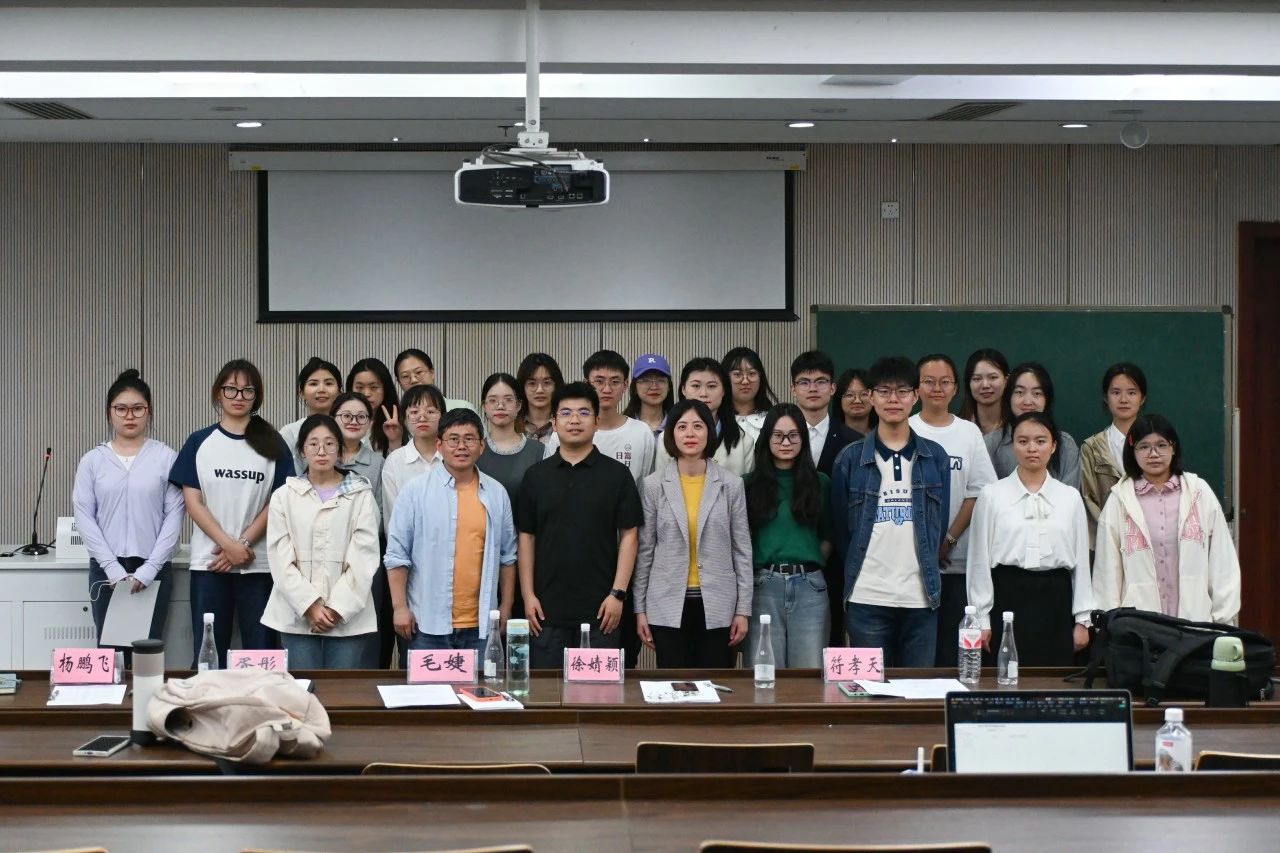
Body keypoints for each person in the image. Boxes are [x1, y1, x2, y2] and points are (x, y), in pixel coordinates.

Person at [169, 359, 294, 667]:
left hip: (258, 565)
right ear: (218, 393)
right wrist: (229, 546)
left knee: (261, 653)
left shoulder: (273, 443)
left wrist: (244, 544)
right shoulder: (199, 442)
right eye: (231, 389)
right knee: (209, 652)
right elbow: (193, 502)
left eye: (247, 390)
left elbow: (278, 502)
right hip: (210, 564)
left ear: (257, 396)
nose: (239, 396)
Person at [830, 356, 951, 668]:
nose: (893, 399)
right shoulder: (850, 459)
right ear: (871, 397)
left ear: (915, 396)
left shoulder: (935, 457)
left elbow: (938, 525)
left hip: (921, 597)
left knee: (917, 691)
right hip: (866, 596)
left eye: (902, 391)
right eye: (884, 391)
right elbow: (842, 531)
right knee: (869, 691)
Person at [518, 382, 642, 667]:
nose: (574, 420)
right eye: (566, 413)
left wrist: (618, 594)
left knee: (598, 691)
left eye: (584, 413)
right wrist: (528, 596)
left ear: (596, 422)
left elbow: (630, 535)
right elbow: (526, 538)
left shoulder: (617, 475)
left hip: (602, 612)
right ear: (554, 423)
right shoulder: (536, 477)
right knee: (547, 690)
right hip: (545, 612)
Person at [385, 409, 517, 653]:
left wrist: (506, 606)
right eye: (453, 439)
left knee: (481, 681)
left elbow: (508, 557)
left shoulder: (496, 493)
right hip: (426, 622)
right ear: (439, 445)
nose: (461, 446)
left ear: (482, 446)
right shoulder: (415, 492)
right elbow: (396, 555)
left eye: (469, 439)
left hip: (481, 625)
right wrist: (399, 607)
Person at [967, 411, 1093, 666]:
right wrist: (981, 619)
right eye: (1023, 441)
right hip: (1007, 597)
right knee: (1006, 677)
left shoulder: (1069, 497)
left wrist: (1083, 619)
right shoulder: (992, 495)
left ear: (1053, 446)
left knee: (1053, 681)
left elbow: (1081, 562)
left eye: (1040, 441)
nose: (1032, 448)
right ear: (1013, 446)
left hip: (1056, 599)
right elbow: (978, 561)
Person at [634, 399, 753, 668]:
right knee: (672, 685)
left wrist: (743, 610)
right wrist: (640, 610)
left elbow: (742, 550)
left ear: (709, 432)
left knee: (716, 685)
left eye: (698, 426)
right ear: (671, 434)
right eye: (682, 427)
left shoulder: (731, 485)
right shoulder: (653, 485)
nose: (690, 433)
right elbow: (645, 551)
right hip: (666, 603)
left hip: (719, 605)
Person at [74, 369, 184, 653]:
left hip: (153, 567)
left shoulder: (165, 457)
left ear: (149, 411)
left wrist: (150, 569)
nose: (129, 416)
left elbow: (174, 516)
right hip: (106, 568)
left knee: (148, 652)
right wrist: (111, 568)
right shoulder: (93, 460)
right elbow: (84, 516)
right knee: (110, 653)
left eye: (138, 408)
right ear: (109, 413)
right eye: (121, 409)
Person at [1093, 415, 1240, 623]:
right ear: (1132, 451)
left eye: (1161, 445)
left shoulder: (1199, 492)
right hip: (1139, 627)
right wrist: (1111, 624)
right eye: (1144, 447)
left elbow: (1222, 562)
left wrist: (1221, 619)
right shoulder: (1120, 499)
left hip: (1195, 623)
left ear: (1174, 448)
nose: (1153, 454)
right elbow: (1107, 572)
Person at [261, 415, 380, 668]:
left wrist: (337, 608)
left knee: (342, 689)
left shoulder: (361, 494)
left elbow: (365, 558)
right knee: (302, 688)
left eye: (329, 443)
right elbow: (280, 558)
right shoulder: (284, 496)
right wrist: (310, 606)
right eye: (313, 444)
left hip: (348, 618)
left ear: (340, 449)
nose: (321, 451)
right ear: (302, 450)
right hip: (297, 615)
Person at [908, 354, 999, 666]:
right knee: (918, 654)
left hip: (957, 562)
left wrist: (948, 539)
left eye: (944, 382)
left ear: (956, 388)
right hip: (911, 565)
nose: (937, 388)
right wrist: (925, 545)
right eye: (929, 382)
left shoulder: (968, 432)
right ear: (916, 388)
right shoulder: (905, 428)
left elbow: (980, 491)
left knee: (952, 653)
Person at [743, 403, 832, 668]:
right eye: (778, 436)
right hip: (763, 585)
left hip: (810, 587)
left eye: (793, 435)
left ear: (803, 439)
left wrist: (807, 563)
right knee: (763, 673)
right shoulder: (747, 484)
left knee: (809, 672)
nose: (785, 443)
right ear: (766, 438)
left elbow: (828, 536)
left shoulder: (821, 482)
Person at [543, 349, 656, 483]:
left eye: (615, 382)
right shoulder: (566, 433)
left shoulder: (642, 432)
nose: (607, 389)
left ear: (625, 385)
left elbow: (647, 486)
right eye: (599, 381)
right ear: (586, 383)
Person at [1081, 362, 1148, 550]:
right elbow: (1089, 499)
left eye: (1132, 393)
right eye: (1116, 392)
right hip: (1108, 542)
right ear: (1106, 397)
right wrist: (1113, 529)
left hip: (1150, 540)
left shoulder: (1157, 444)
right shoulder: (1092, 447)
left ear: (1142, 398)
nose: (1123, 399)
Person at [984, 362, 1082, 489]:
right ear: (1009, 397)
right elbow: (986, 494)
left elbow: (1069, 497)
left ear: (1047, 399)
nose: (1028, 401)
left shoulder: (1065, 444)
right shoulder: (990, 444)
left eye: (1037, 393)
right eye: (1019, 392)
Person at [656, 357, 755, 476]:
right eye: (696, 386)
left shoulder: (744, 441)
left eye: (711, 386)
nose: (703, 394)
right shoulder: (666, 438)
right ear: (683, 389)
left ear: (723, 391)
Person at [477, 372, 544, 509]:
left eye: (508, 400)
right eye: (493, 400)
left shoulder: (539, 451)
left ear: (518, 405)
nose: (500, 406)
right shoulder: (474, 451)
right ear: (484, 406)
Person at [380, 384, 445, 522]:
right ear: (404, 418)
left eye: (430, 411)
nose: (422, 417)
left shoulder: (453, 457)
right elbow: (393, 517)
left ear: (443, 416)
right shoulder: (394, 461)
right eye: (414, 412)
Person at [790, 350, 858, 476]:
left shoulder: (853, 442)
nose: (813, 389)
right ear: (793, 389)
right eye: (804, 382)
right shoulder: (778, 438)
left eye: (821, 382)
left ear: (832, 388)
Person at [279, 357, 342, 473]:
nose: (321, 389)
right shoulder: (289, 433)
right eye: (313, 384)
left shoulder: (350, 429)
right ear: (301, 393)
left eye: (328, 383)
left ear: (339, 391)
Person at [328, 392, 384, 508]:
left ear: (369, 422)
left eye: (361, 417)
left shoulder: (378, 463)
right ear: (332, 419)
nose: (354, 422)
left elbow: (381, 510)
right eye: (346, 416)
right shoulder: (320, 457)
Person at [393, 347, 476, 413]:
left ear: (432, 373)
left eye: (419, 372)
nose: (413, 380)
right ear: (399, 382)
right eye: (405, 376)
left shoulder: (461, 408)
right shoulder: (398, 417)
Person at [346, 357, 401, 456]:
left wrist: (395, 441)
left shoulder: (398, 422)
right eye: (360, 387)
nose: (366, 393)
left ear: (385, 389)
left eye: (373, 387)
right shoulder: (340, 422)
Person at [723, 346, 777, 440]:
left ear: (760, 377)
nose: (745, 381)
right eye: (737, 374)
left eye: (751, 374)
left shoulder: (774, 420)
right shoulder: (716, 420)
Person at [516, 352, 565, 444]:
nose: (540, 390)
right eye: (532, 383)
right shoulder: (512, 425)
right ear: (522, 387)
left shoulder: (566, 423)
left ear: (556, 386)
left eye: (547, 383)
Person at [959, 348, 1009, 437]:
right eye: (977, 379)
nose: (985, 385)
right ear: (968, 383)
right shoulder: (957, 427)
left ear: (1006, 380)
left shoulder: (1019, 427)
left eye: (993, 377)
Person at [623, 353, 674, 435]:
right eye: (646, 380)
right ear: (635, 387)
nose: (654, 387)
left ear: (669, 387)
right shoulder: (622, 426)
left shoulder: (679, 425)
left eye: (660, 380)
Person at [832, 368, 876, 438]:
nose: (857, 401)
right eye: (849, 395)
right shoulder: (830, 436)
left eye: (864, 394)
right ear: (839, 400)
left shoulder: (884, 437)